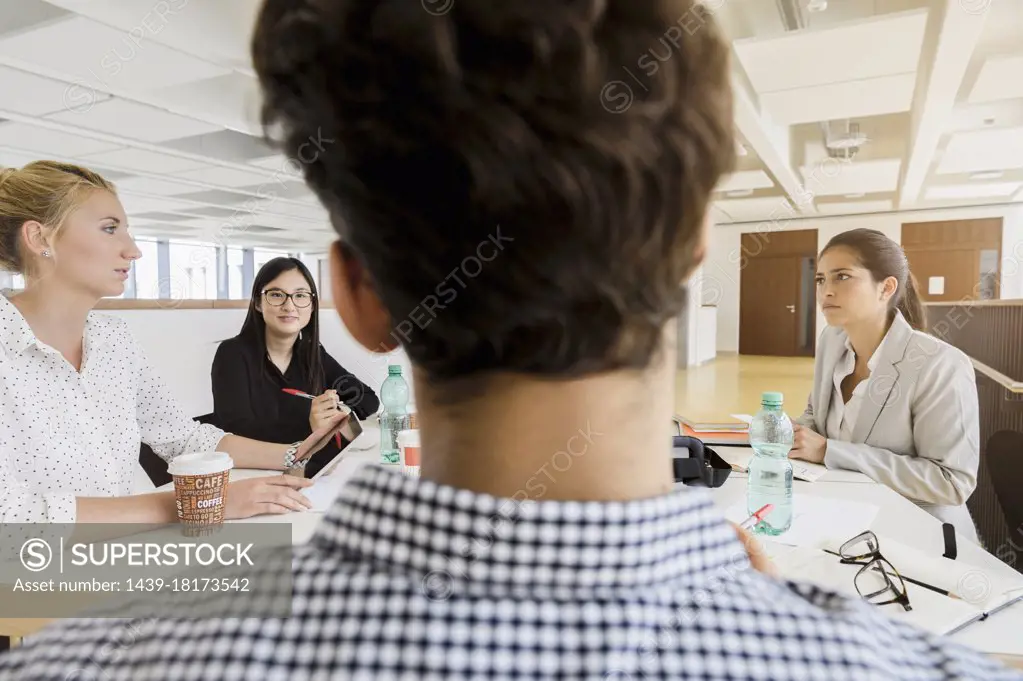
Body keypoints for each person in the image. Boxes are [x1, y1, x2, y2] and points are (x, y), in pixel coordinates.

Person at [0, 2, 1019, 679]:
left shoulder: (94, 664)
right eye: (111, 230)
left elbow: (191, 451)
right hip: (57, 570)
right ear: (692, 250)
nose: (132, 250)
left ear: (352, 294)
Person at [0, 160, 348, 525]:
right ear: (40, 239)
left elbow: (183, 437)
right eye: (109, 229)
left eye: (127, 231)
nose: (133, 250)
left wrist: (296, 454)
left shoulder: (114, 340)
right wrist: (191, 505)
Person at [790, 228, 981, 543]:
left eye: (842, 277)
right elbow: (817, 413)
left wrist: (828, 451)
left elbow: (950, 482)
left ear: (886, 288)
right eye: (821, 279)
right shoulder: (831, 340)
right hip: (846, 516)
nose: (826, 291)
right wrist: (791, 433)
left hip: (920, 537)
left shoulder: (940, 364)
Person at [211, 256, 379, 477]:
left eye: (300, 295)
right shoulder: (232, 354)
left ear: (311, 305)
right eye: (277, 295)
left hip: (305, 471)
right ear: (258, 303)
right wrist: (312, 428)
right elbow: (237, 432)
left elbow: (368, 398)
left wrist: (337, 412)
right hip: (250, 475)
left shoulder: (311, 354)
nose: (289, 305)